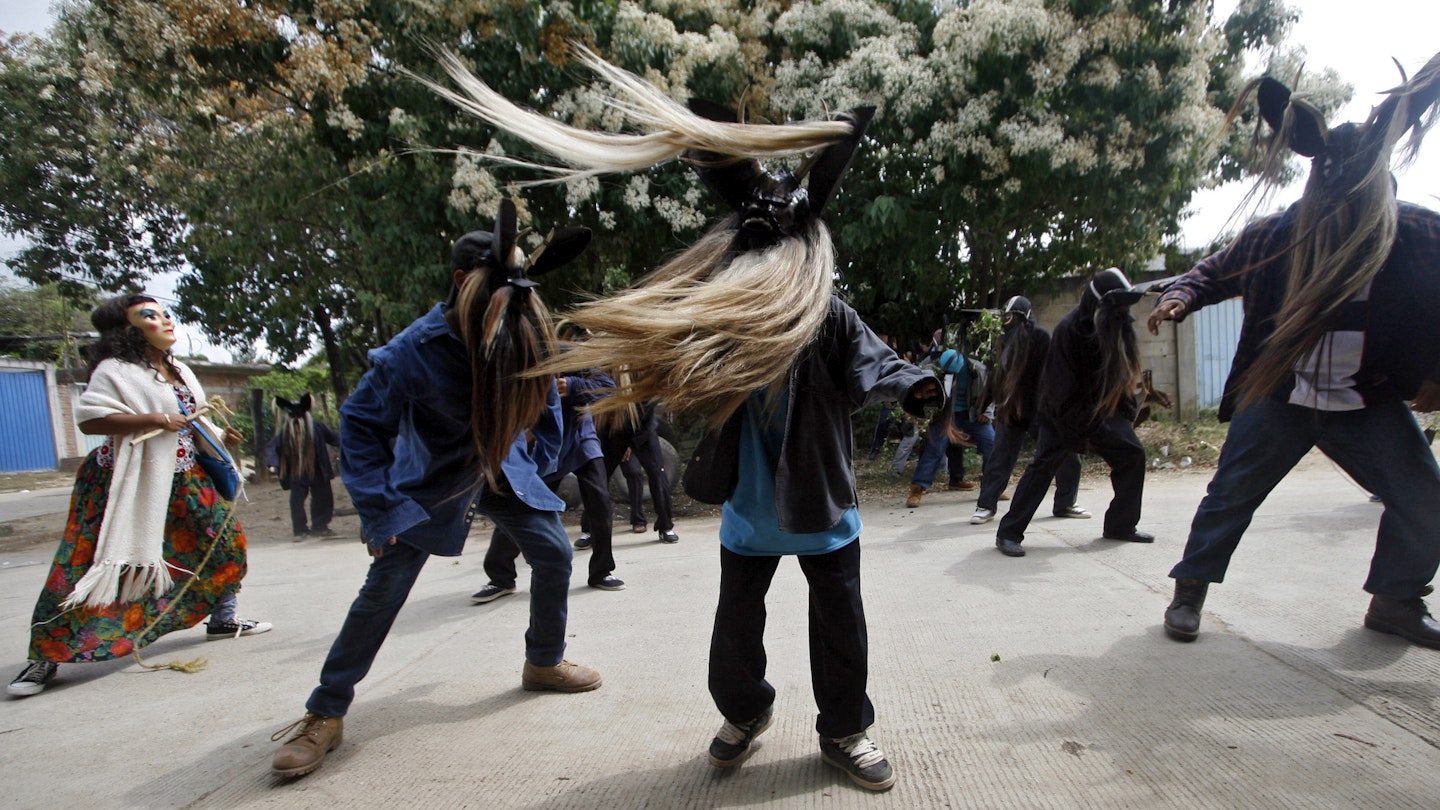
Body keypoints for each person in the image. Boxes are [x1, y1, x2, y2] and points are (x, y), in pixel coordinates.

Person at [419, 44, 945, 791]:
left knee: (841, 631)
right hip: (749, 511)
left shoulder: (827, 316)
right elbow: (677, 359)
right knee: (734, 637)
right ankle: (746, 711)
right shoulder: (725, 315)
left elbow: (880, 364)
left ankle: (846, 731)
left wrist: (920, 386)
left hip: (823, 506)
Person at [270, 204, 602, 778]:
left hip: (502, 469)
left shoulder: (521, 327)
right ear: (461, 282)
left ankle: (543, 663)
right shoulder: (411, 353)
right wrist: (382, 512)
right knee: (384, 590)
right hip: (431, 486)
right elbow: (359, 425)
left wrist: (538, 456)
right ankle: (325, 712)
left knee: (553, 554)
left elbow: (544, 393)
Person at [1148, 57, 1440, 648]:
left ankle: (1395, 602)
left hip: (1366, 400)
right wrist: (1178, 297)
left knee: (1426, 499)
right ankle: (1189, 594)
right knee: (1229, 494)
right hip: (1279, 394)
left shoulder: (1416, 236)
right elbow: (1213, 271)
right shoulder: (1279, 234)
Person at [8, 294, 266, 698]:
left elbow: (192, 419)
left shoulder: (178, 369)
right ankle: (46, 655)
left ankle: (222, 619)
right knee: (85, 568)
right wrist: (155, 419)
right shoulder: (115, 370)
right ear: (128, 329)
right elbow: (92, 419)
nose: (164, 321)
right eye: (150, 315)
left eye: (165, 313)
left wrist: (218, 436)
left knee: (226, 546)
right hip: (123, 481)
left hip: (185, 479)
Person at [994, 268, 1151, 557]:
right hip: (1059, 413)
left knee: (1132, 454)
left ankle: (1120, 525)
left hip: (1100, 411)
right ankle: (1008, 533)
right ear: (1099, 304)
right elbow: (1061, 391)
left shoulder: (1114, 325)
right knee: (1043, 467)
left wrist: (1125, 417)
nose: (1122, 315)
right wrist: (1086, 431)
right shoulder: (1069, 331)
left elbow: (1121, 377)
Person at [473, 367, 625, 601]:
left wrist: (573, 384)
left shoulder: (567, 354)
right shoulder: (512, 359)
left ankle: (601, 571)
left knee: (600, 500)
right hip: (547, 448)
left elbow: (609, 390)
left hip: (581, 440)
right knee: (523, 503)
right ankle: (500, 576)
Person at [971, 296, 1087, 524]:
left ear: (1021, 317)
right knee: (1000, 457)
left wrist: (1057, 408)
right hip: (1012, 409)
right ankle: (985, 505)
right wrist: (983, 405)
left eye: (1010, 317)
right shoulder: (1002, 341)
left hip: (1042, 410)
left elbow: (1052, 373)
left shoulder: (1041, 337)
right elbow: (996, 378)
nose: (1007, 321)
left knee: (1067, 454)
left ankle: (1065, 503)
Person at [905, 348, 994, 507]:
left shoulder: (979, 370)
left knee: (991, 443)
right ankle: (917, 488)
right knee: (935, 448)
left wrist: (987, 412)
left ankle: (993, 486)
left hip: (971, 415)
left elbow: (990, 393)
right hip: (946, 417)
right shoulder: (932, 370)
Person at [599, 403, 678, 543]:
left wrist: (632, 443)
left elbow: (647, 413)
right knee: (600, 478)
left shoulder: (642, 391)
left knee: (657, 475)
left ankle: (665, 526)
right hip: (614, 429)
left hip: (643, 429)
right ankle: (591, 530)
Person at [266, 393, 339, 539]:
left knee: (323, 496)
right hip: (296, 471)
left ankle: (320, 526)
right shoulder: (286, 431)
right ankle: (300, 530)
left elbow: (335, 439)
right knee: (297, 499)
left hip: (318, 469)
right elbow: (272, 447)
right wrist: (272, 463)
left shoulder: (317, 427)